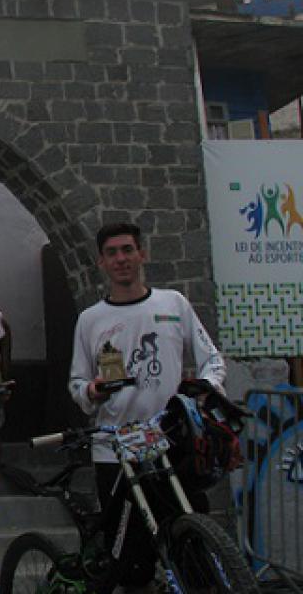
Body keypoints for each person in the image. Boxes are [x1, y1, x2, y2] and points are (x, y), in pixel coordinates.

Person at [68, 222, 226, 593]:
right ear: (101, 262)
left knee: (193, 549)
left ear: (142, 253)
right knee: (130, 564)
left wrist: (205, 389)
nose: (121, 259)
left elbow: (212, 360)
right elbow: (77, 385)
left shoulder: (173, 304)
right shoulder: (90, 319)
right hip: (116, 453)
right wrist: (92, 390)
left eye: (128, 250)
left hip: (172, 443)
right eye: (112, 253)